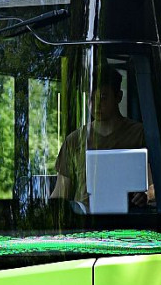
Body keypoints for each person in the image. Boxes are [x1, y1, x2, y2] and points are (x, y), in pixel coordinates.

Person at [50, 68, 154, 207]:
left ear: (118, 97)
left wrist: (146, 194)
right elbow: (61, 192)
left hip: (131, 217)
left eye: (103, 98)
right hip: (85, 218)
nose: (96, 105)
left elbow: (156, 186)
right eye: (91, 98)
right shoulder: (74, 140)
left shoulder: (141, 134)